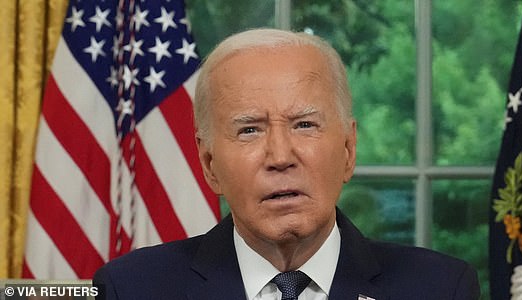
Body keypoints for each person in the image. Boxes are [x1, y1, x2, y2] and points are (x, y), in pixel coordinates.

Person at [93, 28, 480, 300]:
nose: (280, 157)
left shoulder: (441, 287)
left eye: (305, 125)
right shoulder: (131, 288)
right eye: (249, 130)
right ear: (209, 163)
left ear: (348, 150)